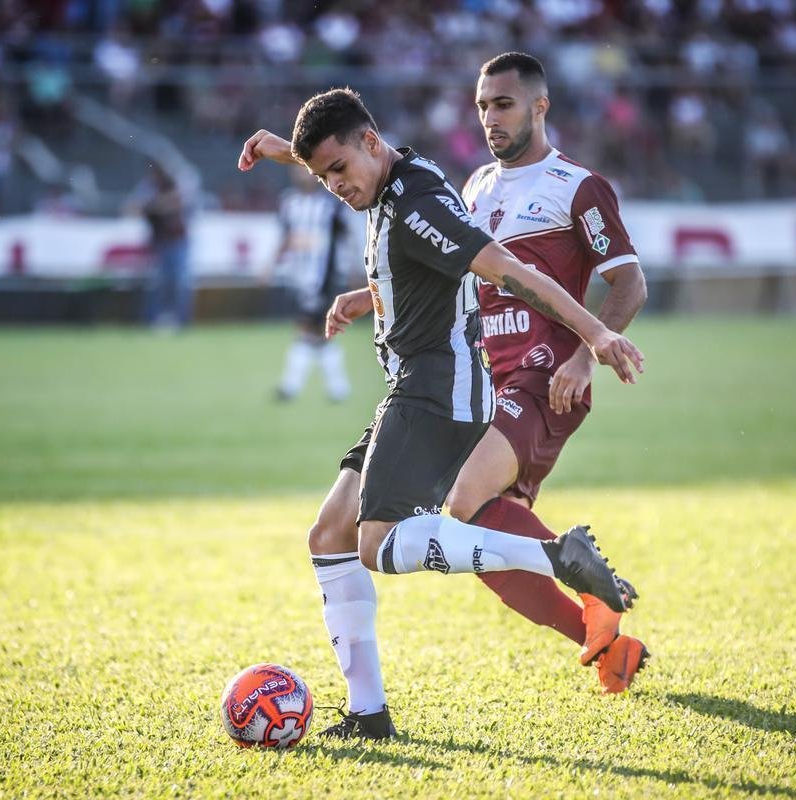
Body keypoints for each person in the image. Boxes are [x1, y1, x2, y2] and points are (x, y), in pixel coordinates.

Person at [238, 87, 644, 740]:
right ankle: (369, 716)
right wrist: (291, 155)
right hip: (417, 384)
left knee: (373, 543)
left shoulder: (417, 205)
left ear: (371, 144)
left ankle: (554, 556)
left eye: (337, 170)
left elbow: (509, 270)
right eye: (323, 176)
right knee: (330, 536)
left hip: (437, 391)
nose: (335, 186)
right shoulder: (396, 173)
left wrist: (594, 335)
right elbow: (361, 180)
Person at [444, 52, 651, 695]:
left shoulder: (577, 187)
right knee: (479, 537)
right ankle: (606, 637)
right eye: (482, 106)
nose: (489, 118)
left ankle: (585, 576)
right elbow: (453, 273)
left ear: (540, 106)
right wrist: (365, 297)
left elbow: (630, 283)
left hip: (546, 377)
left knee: (460, 504)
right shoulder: (476, 187)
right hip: (486, 381)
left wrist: (585, 354)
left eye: (502, 104)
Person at [270, 164, 356, 403]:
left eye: (305, 170)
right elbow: (286, 236)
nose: (301, 174)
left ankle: (291, 387)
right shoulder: (288, 202)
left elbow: (345, 237)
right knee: (317, 334)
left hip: (323, 278)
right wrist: (270, 264)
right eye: (297, 170)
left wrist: (350, 269)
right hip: (298, 277)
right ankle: (337, 389)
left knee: (309, 330)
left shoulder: (331, 204)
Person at [124, 161, 193, 330]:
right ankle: (153, 321)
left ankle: (181, 321)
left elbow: (176, 201)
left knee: (179, 283)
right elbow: (131, 209)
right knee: (159, 283)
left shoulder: (169, 185)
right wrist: (155, 206)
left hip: (176, 242)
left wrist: (153, 205)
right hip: (161, 243)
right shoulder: (148, 189)